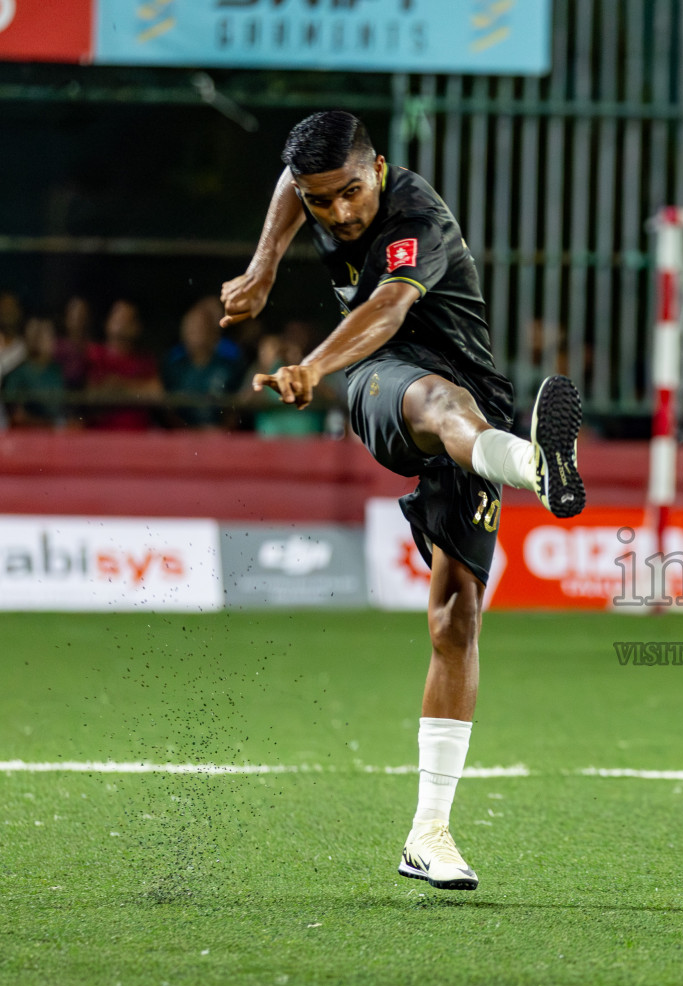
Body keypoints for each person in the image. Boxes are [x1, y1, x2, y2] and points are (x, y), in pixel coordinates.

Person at [220, 110, 586, 891]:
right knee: (432, 403)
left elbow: (387, 305)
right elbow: (292, 182)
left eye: (351, 192)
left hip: (457, 388)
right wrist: (263, 269)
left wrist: (309, 365)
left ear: (377, 169)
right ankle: (535, 465)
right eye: (325, 202)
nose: (340, 213)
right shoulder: (313, 185)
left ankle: (429, 834)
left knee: (456, 617)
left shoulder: (415, 215)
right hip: (380, 378)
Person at [162, 298, 243, 429]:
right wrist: (187, 432)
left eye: (199, 327)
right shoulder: (173, 365)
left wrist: (221, 432)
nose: (193, 333)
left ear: (212, 332)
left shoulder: (229, 365)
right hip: (181, 437)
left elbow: (239, 404)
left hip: (220, 437)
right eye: (189, 327)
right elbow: (166, 407)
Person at [85, 300, 161, 431]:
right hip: (103, 437)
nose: (122, 323)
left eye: (128, 319)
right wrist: (138, 389)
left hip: (139, 438)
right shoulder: (94, 354)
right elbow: (94, 395)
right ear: (107, 322)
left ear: (137, 327)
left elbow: (156, 393)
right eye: (118, 317)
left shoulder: (145, 359)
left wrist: (119, 385)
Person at [2, 317, 67, 429]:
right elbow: (16, 416)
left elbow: (63, 407)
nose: (52, 341)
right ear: (35, 339)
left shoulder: (56, 370)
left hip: (56, 436)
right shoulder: (18, 373)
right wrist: (50, 425)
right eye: (48, 336)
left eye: (53, 335)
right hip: (27, 437)